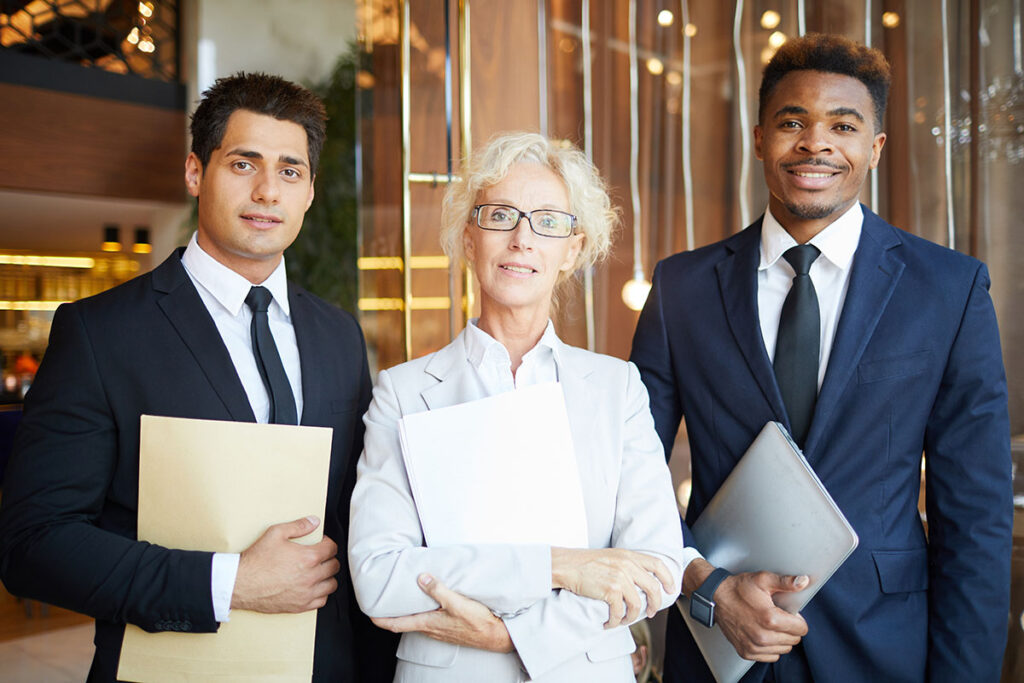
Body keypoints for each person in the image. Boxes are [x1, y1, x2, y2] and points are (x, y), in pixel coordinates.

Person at [630, 34, 1012, 683]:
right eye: (792, 122)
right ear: (759, 139)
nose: (815, 143)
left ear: (875, 147)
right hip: (720, 643)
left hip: (883, 646)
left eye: (843, 124)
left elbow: (975, 514)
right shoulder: (681, 288)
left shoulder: (947, 289)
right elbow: (628, 474)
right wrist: (707, 586)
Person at [0, 72, 396, 682]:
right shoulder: (99, 334)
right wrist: (230, 582)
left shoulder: (338, 335)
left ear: (310, 191)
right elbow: (33, 544)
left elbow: (354, 516)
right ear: (194, 173)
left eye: (290, 170)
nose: (268, 190)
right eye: (244, 164)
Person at [348, 131, 684, 682]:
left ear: (572, 250)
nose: (523, 238)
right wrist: (566, 566)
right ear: (469, 237)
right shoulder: (403, 392)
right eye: (501, 216)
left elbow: (658, 570)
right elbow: (381, 577)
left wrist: (514, 636)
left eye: (549, 221)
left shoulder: (616, 388)